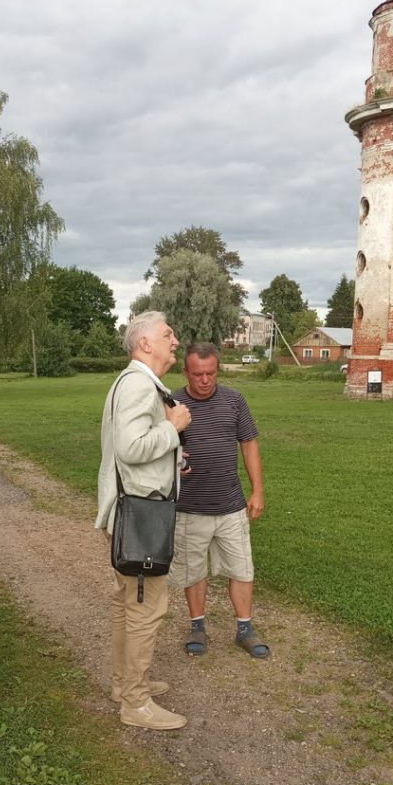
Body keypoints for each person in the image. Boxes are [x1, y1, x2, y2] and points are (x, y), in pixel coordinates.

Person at [95, 310, 192, 731]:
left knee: (127, 605)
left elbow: (135, 452)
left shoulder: (135, 382)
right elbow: (131, 447)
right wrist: (172, 428)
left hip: (131, 513)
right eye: (167, 334)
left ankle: (125, 684)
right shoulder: (137, 383)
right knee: (145, 609)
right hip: (141, 518)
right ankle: (135, 703)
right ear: (144, 343)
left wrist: (173, 460)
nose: (175, 340)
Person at [168, 342, 270, 660]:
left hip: (230, 505)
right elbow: (156, 446)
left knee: (242, 569)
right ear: (185, 371)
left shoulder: (235, 400)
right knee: (193, 571)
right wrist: (172, 462)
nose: (205, 380)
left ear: (218, 370)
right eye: (197, 374)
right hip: (188, 508)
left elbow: (249, 445)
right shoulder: (171, 404)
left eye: (210, 373)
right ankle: (197, 626)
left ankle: (245, 629)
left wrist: (257, 491)